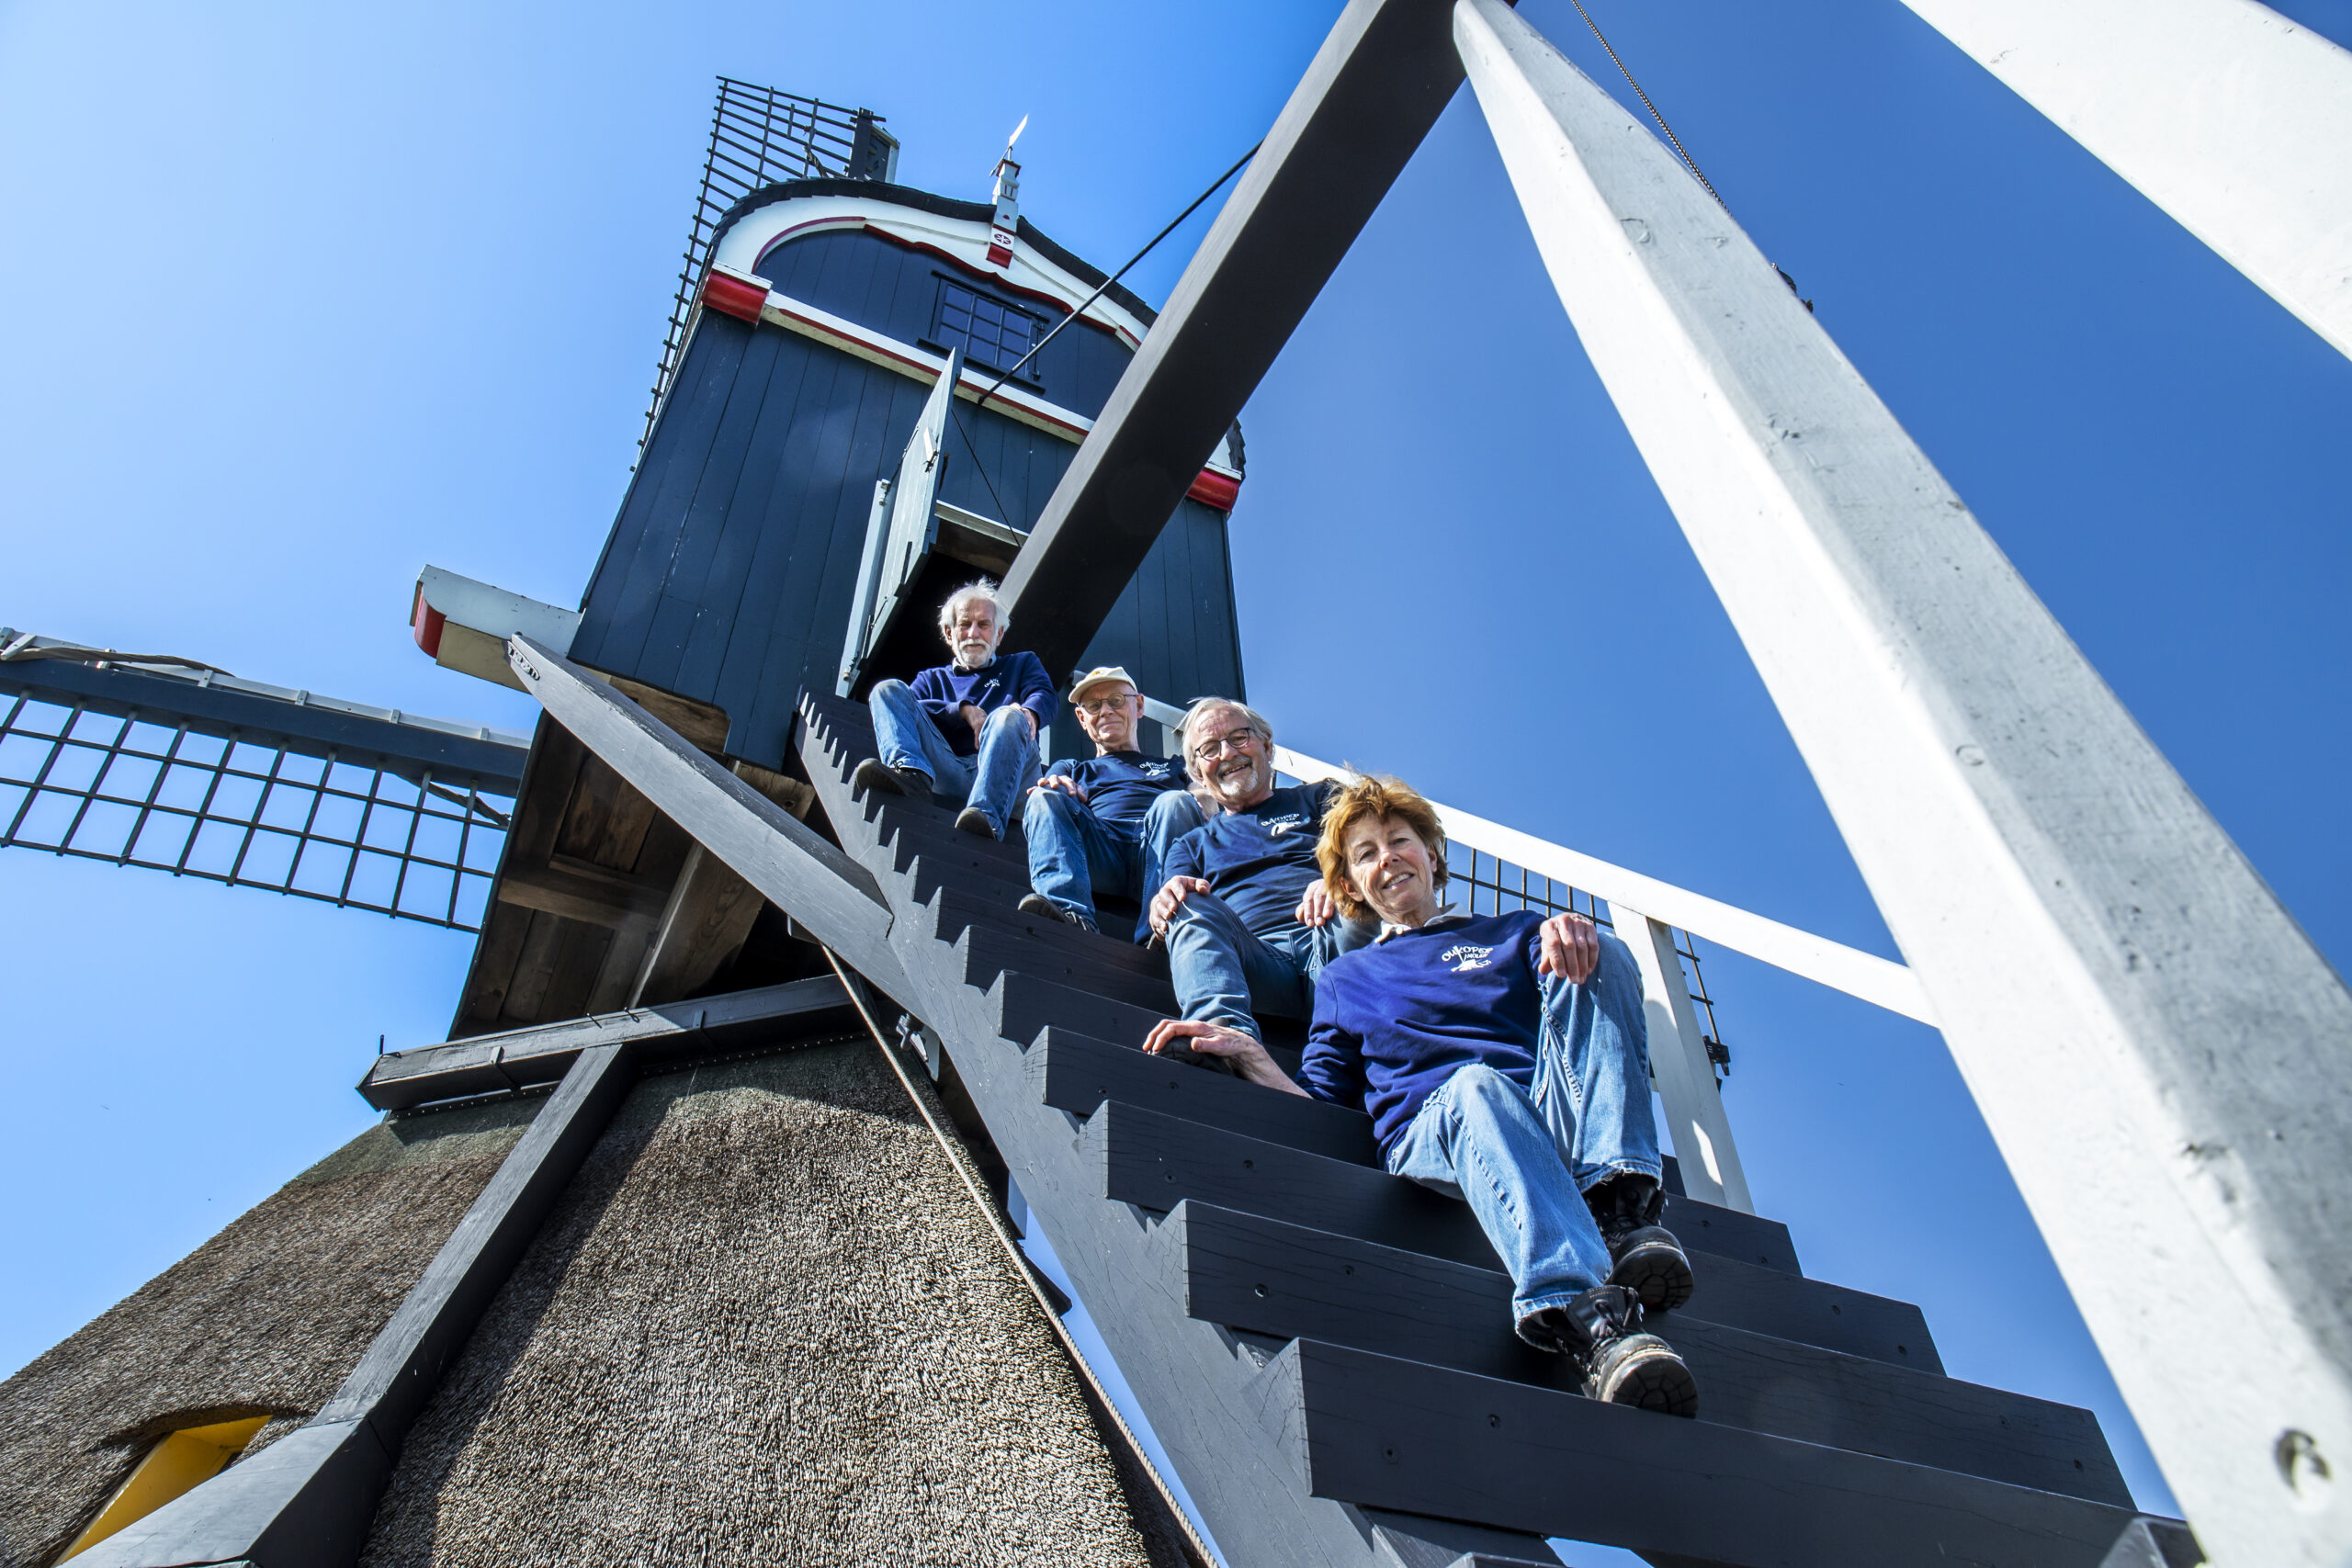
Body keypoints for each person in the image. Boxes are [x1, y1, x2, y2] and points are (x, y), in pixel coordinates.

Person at [1144, 773, 1700, 1416]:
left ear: (1431, 855)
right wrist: (1251, 1054)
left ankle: (1622, 1208)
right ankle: (1594, 1325)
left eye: (1398, 841)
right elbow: (1323, 1104)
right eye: (1366, 854)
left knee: (1599, 948)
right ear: (1349, 886)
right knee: (1476, 1085)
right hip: (1438, 1128)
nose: (1388, 860)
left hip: (1544, 1115)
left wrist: (1572, 932)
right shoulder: (1345, 977)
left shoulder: (1512, 929)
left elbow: (1577, 1023)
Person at [1147, 698, 1373, 1039]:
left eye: (1239, 737)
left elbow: (1376, 841)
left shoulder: (1319, 798)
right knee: (1184, 898)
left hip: (1334, 941)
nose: (1226, 753)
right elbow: (1171, 897)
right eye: (1209, 749)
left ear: (1267, 746)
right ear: (1197, 774)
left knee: (1357, 886)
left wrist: (1339, 877)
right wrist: (1162, 904)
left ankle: (1365, 1040)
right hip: (1256, 963)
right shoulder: (1190, 845)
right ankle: (1224, 1036)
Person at [852, 580, 1053, 840]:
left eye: (984, 625)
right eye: (964, 624)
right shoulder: (931, 679)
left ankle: (987, 815)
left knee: (1008, 716)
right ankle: (912, 775)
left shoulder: (1022, 663)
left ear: (998, 634)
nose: (973, 634)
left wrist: (1030, 713)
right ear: (949, 634)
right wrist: (963, 710)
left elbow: (1044, 695)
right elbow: (909, 711)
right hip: (948, 771)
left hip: (1009, 779)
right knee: (887, 689)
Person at [1019, 667, 1204, 941]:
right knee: (1042, 796)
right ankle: (1069, 913)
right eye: (1094, 706)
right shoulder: (1073, 768)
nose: (1105, 711)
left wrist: (1204, 799)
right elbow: (1048, 793)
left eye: (1116, 700)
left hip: (1159, 849)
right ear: (1082, 719)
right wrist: (1057, 788)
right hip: (1099, 850)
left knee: (1176, 802)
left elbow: (1206, 795)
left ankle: (1162, 929)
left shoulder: (1176, 765)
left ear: (1138, 705)